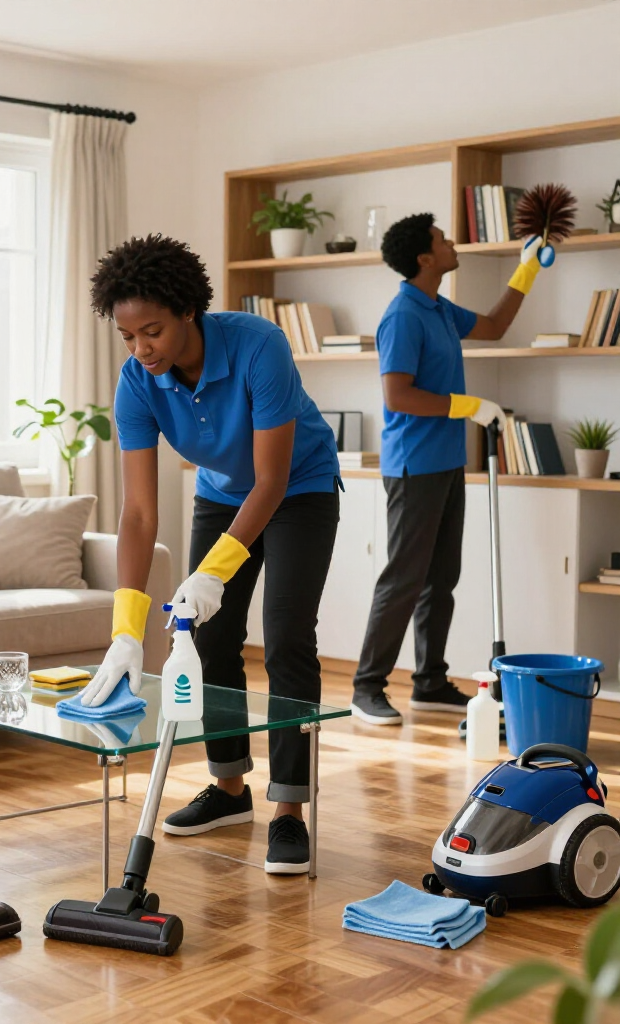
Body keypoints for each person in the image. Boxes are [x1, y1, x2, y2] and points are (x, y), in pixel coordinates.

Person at [80, 234, 341, 873]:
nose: (142, 350)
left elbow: (272, 480)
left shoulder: (258, 346)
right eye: (128, 337)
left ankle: (289, 809)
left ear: (188, 311)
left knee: (285, 637)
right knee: (208, 641)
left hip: (299, 489)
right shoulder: (137, 384)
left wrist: (212, 572)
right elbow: (138, 512)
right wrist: (125, 630)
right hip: (222, 495)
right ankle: (229, 789)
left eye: (153, 332)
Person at [350, 213, 547, 725]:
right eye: (442, 239)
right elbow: (398, 395)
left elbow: (497, 326)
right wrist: (466, 406)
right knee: (404, 579)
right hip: (413, 466)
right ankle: (366, 687)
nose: (451, 242)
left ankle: (430, 683)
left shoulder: (438, 309)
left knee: (442, 578)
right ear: (424, 258)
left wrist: (525, 270)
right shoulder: (403, 316)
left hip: (447, 462)